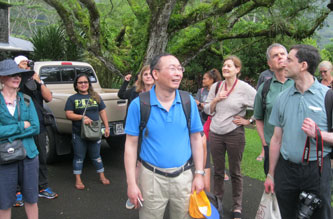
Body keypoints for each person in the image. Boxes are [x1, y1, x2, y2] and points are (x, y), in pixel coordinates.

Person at [124, 54, 204, 219]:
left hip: (184, 178)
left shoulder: (188, 102)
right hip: (151, 179)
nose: (178, 73)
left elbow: (197, 139)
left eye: (179, 68)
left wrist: (199, 174)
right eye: (172, 68)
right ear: (155, 74)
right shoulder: (139, 104)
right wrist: (131, 183)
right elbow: (130, 146)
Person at [264, 44, 332, 219]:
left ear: (303, 66)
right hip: (286, 170)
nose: (283, 63)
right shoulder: (282, 98)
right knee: (284, 214)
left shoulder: (328, 97)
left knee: (319, 215)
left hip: (317, 170)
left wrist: (318, 134)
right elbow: (276, 139)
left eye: (289, 59)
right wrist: (271, 174)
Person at [204, 55, 256, 219]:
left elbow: (261, 104)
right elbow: (207, 109)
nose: (225, 68)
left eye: (230, 66)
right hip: (216, 133)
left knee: (235, 171)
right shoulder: (216, 86)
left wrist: (249, 120)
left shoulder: (244, 88)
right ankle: (217, 203)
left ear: (237, 69)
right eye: (224, 66)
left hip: (234, 133)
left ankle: (237, 207)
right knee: (218, 171)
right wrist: (216, 100)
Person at [13, 56, 57, 206]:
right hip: (20, 126)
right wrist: (20, 75)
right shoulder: (15, 81)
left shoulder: (35, 80)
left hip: (38, 124)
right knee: (18, 158)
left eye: (27, 63)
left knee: (41, 158)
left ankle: (42, 187)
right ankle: (17, 190)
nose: (26, 65)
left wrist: (39, 81)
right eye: (22, 63)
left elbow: (49, 97)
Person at [0, 59, 40, 219]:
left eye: (19, 75)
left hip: (29, 155)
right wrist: (21, 126)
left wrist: (7, 132)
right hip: (5, 156)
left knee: (31, 198)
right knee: (4, 201)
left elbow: (35, 127)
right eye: (12, 75)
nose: (17, 78)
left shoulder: (26, 100)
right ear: (2, 78)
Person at [64, 73, 110, 190]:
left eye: (85, 82)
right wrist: (82, 117)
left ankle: (102, 176)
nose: (83, 84)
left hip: (94, 132)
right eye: (80, 82)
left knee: (96, 155)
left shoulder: (95, 96)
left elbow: (102, 112)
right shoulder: (72, 99)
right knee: (79, 156)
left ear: (89, 84)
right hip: (79, 133)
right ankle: (78, 180)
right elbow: (68, 114)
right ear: (76, 85)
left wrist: (106, 127)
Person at [253, 43, 294, 173]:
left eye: (282, 54)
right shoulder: (264, 88)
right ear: (269, 64)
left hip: (296, 149)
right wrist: (264, 142)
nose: (280, 57)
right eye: (275, 55)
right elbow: (258, 117)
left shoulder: (299, 83)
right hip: (272, 147)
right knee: (273, 186)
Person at [120, 66, 154, 209]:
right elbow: (121, 94)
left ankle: (146, 190)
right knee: (137, 162)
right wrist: (125, 82)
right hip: (136, 130)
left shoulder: (161, 93)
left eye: (150, 74)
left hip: (151, 132)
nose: (147, 76)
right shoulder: (135, 91)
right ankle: (133, 192)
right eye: (144, 74)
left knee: (147, 161)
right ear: (141, 77)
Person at [195, 68, 227, 192]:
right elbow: (198, 105)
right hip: (202, 122)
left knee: (217, 148)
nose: (203, 80)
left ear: (212, 80)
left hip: (216, 122)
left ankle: (221, 171)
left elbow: (214, 107)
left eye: (205, 78)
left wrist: (203, 105)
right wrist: (204, 105)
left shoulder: (219, 91)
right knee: (205, 147)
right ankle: (202, 169)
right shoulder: (201, 91)